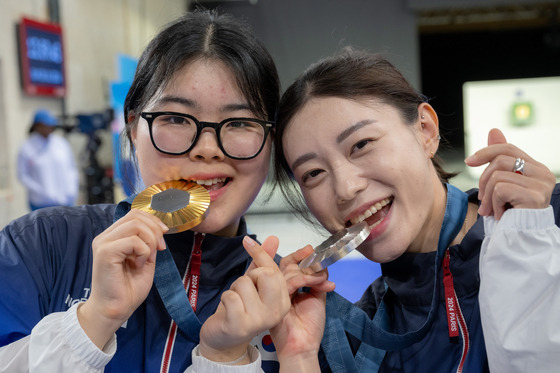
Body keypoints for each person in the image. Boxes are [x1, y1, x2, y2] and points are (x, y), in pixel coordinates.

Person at [0, 8, 302, 372]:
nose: (207, 148)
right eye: (175, 118)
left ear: (271, 140)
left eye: (239, 122)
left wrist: (228, 359)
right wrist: (92, 322)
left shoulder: (292, 303)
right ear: (132, 129)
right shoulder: (39, 245)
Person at [268, 48, 560, 372]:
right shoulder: (354, 342)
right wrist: (298, 357)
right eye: (313, 174)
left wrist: (538, 252)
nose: (345, 188)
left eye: (361, 144)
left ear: (425, 130)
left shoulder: (550, 222)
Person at [17, 108, 79, 211]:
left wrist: (72, 190)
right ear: (37, 126)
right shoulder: (26, 148)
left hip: (66, 201)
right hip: (41, 203)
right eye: (45, 125)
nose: (49, 128)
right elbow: (22, 175)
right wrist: (41, 191)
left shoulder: (61, 143)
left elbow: (71, 169)